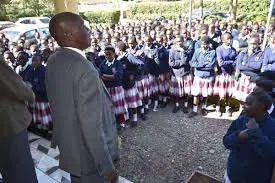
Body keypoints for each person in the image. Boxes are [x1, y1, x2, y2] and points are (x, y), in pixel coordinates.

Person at [46, 12, 119, 183]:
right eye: (83, 27)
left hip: (71, 148)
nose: (89, 30)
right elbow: (91, 125)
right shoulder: (84, 68)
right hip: (89, 156)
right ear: (69, 35)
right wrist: (106, 166)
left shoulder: (54, 59)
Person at [0, 55, 38, 183]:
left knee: (8, 169)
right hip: (8, 124)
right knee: (20, 171)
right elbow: (17, 87)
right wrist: (29, 92)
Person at [223, 91, 275, 183]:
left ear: (262, 106)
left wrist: (256, 134)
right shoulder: (241, 120)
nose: (243, 106)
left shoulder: (272, 127)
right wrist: (238, 136)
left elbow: (270, 154)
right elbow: (226, 142)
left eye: (248, 103)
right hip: (233, 175)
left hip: (256, 178)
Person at [99, 45, 128, 130]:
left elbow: (118, 76)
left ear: (114, 54)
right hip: (106, 88)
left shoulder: (118, 63)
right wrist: (110, 76)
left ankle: (122, 123)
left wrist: (104, 76)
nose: (107, 56)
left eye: (109, 54)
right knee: (108, 106)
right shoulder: (103, 63)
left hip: (116, 88)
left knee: (119, 106)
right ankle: (112, 123)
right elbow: (99, 75)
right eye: (106, 54)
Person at [23, 54, 53, 131]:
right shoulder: (30, 70)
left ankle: (47, 126)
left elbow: (45, 85)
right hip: (34, 96)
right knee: (37, 112)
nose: (34, 62)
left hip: (43, 97)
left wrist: (33, 86)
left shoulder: (44, 70)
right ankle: (39, 124)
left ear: (41, 61)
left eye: (36, 60)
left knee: (43, 112)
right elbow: (27, 79)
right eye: (33, 60)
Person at [189, 36, 216, 118]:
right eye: (202, 44)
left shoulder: (212, 52)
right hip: (198, 76)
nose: (204, 46)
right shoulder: (197, 51)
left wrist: (199, 66)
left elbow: (211, 66)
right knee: (196, 94)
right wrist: (203, 64)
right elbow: (192, 63)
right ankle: (194, 110)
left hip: (207, 76)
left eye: (206, 44)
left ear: (209, 44)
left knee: (205, 94)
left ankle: (204, 108)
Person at [234, 34, 264, 103]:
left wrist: (245, 64)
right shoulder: (243, 52)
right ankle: (241, 110)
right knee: (241, 98)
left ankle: (248, 111)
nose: (252, 46)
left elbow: (258, 66)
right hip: (243, 77)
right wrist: (251, 65)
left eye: (254, 44)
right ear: (248, 43)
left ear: (258, 44)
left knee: (250, 99)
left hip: (253, 78)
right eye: (251, 43)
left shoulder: (261, 54)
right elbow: (239, 66)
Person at [213, 33, 238, 116]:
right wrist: (231, 62)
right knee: (220, 92)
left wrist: (232, 63)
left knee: (228, 92)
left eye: (230, 38)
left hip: (230, 74)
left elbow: (236, 60)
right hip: (222, 73)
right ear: (223, 40)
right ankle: (218, 107)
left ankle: (227, 107)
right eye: (227, 39)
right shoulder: (219, 49)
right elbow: (221, 63)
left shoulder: (233, 49)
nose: (230, 40)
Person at [169, 35, 193, 113]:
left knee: (186, 91)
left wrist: (184, 56)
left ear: (183, 41)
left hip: (185, 73)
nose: (179, 43)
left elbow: (189, 60)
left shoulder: (186, 49)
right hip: (176, 74)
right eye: (178, 41)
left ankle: (185, 106)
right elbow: (171, 63)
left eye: (181, 41)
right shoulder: (172, 50)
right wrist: (181, 62)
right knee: (177, 91)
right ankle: (177, 105)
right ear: (176, 42)